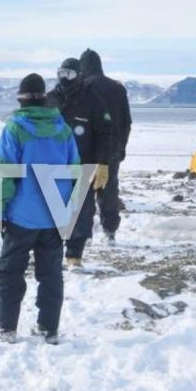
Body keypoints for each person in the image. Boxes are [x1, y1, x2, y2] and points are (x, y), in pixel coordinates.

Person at [0, 74, 79, 344]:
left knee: (10, 272)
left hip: (21, 216)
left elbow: (4, 174)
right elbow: (75, 172)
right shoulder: (63, 130)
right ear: (44, 98)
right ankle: (48, 329)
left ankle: (6, 327)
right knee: (51, 274)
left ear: (21, 99)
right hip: (53, 216)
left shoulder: (15, 129)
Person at [46, 51, 115, 266]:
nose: (64, 78)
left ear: (79, 75)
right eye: (61, 73)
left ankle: (74, 255)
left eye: (69, 73)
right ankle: (50, 252)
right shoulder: (49, 100)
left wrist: (103, 163)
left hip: (84, 163)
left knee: (82, 212)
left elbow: (105, 133)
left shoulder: (93, 101)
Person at [75, 49, 131, 244]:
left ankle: (85, 233)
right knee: (109, 189)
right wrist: (121, 146)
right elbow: (126, 122)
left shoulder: (82, 87)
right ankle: (110, 231)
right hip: (112, 149)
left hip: (87, 149)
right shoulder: (117, 88)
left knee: (85, 191)